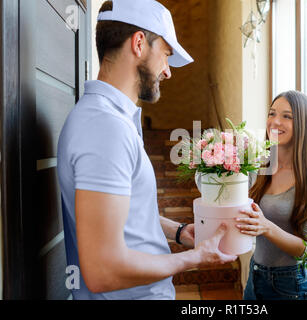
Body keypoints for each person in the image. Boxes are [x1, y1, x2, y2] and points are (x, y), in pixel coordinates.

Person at [57, 0, 237, 300]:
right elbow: (102, 270)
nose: (167, 72)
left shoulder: (111, 120)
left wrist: (179, 233)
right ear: (139, 43)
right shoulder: (104, 127)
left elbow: (126, 218)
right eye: (165, 55)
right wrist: (193, 258)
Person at [237, 91, 307, 300]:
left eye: (287, 116)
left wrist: (266, 227)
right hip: (255, 277)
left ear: (304, 125)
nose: (275, 121)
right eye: (272, 113)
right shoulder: (260, 165)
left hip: (290, 287)